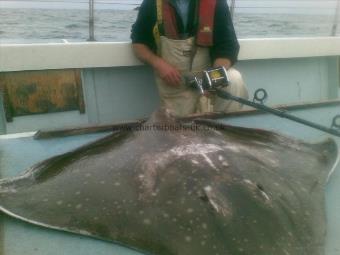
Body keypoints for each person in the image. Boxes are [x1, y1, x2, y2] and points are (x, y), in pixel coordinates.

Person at [131, 0, 248, 117]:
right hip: (175, 85)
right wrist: (159, 65)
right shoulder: (152, 3)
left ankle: (224, 129)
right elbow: (139, 44)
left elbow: (227, 46)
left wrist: (212, 82)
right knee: (182, 131)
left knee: (234, 79)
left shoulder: (216, 2)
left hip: (209, 79)